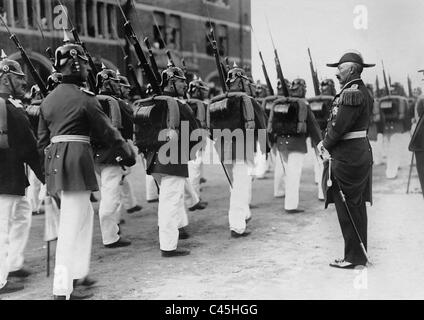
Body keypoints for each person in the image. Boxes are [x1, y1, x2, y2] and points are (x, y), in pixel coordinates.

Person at [38, 40, 135, 299]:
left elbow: (41, 142)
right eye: (83, 66)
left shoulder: (48, 100)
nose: (86, 72)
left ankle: (78, 274)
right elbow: (108, 131)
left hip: (56, 164)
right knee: (71, 225)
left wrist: (44, 173)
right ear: (76, 63)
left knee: (82, 218)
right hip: (76, 162)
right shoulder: (85, 98)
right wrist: (127, 152)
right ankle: (62, 287)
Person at [134, 63, 199, 256]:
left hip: (154, 160)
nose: (185, 86)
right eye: (181, 82)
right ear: (171, 83)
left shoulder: (149, 103)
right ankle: (169, 246)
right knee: (170, 202)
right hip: (173, 161)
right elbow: (195, 132)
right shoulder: (179, 105)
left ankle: (180, 228)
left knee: (170, 198)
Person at [318, 50, 374, 268]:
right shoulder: (358, 90)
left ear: (351, 69)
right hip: (354, 153)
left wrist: (325, 144)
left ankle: (353, 258)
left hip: (348, 156)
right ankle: (357, 255)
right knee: (354, 206)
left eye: (340, 69)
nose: (337, 74)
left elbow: (340, 125)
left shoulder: (353, 92)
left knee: (348, 207)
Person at [0, 56, 44, 295]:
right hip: (5, 178)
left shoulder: (11, 106)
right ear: (6, 78)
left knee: (22, 214)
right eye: (18, 78)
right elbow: (29, 148)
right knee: (2, 228)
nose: (23, 83)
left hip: (9, 177)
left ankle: (13, 263)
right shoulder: (10, 109)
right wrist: (47, 177)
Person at [209, 63, 268, 237]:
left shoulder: (217, 100)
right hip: (242, 149)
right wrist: (265, 147)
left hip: (222, 150)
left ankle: (243, 214)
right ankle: (237, 226)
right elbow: (261, 123)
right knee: (240, 187)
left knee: (235, 185)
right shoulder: (247, 100)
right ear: (241, 82)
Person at [93, 65, 135, 248]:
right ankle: (110, 236)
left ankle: (113, 229)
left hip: (94, 153)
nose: (119, 86)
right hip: (112, 153)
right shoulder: (115, 102)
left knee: (108, 191)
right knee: (111, 196)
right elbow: (127, 124)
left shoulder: (91, 99)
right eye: (116, 83)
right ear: (108, 83)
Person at [270, 78, 322, 212]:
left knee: (286, 171)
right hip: (296, 144)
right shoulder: (302, 103)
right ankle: (290, 205)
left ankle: (282, 194)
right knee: (293, 175)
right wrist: (320, 143)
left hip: (281, 143)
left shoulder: (280, 103)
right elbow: (312, 126)